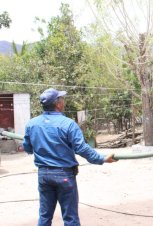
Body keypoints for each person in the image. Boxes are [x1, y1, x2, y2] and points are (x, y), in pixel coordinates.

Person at [22, 88, 118, 226]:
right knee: (70, 217)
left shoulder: (32, 124)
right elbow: (81, 148)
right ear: (58, 104)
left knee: (44, 216)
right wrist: (102, 158)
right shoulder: (68, 124)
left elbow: (27, 148)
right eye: (62, 99)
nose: (64, 101)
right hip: (64, 175)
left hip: (44, 175)